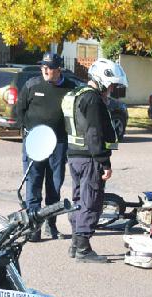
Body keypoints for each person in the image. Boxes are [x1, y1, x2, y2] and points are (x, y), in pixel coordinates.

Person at [63, 58, 127, 262]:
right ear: (101, 79)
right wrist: (104, 162)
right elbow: (94, 133)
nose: (111, 89)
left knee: (78, 201)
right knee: (91, 202)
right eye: (111, 85)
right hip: (90, 159)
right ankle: (83, 248)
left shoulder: (75, 94)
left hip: (75, 156)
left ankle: (75, 243)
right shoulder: (92, 99)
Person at [16, 52, 72, 241]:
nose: (45, 70)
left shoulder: (70, 88)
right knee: (33, 184)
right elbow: (20, 109)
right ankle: (34, 227)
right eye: (43, 67)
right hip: (35, 142)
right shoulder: (32, 84)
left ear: (59, 69)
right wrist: (27, 132)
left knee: (54, 185)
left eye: (50, 67)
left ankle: (51, 225)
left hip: (59, 143)